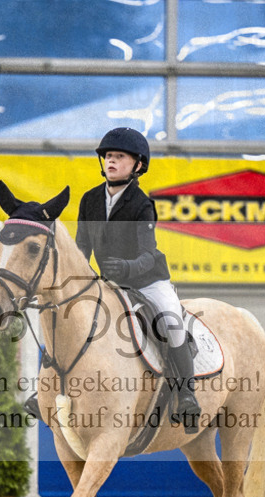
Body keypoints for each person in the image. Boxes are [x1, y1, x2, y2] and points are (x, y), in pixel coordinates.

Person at [75, 127, 200, 430]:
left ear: (137, 165)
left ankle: (187, 395)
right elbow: (81, 247)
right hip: (110, 283)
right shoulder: (90, 199)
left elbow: (149, 253)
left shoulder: (142, 204)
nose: (111, 161)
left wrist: (127, 269)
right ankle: (44, 392)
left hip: (147, 280)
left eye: (119, 157)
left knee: (171, 320)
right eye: (108, 156)